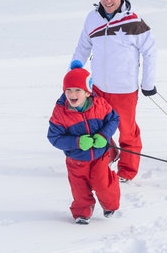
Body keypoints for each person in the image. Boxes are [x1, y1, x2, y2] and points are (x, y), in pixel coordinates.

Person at [71, 0, 157, 182]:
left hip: (124, 89)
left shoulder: (134, 21)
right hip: (98, 87)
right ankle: (108, 154)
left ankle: (127, 170)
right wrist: (74, 71)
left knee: (127, 132)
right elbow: (83, 46)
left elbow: (150, 52)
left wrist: (148, 84)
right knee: (99, 128)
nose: (107, 1)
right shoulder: (92, 18)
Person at [47, 60, 120, 225]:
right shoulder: (60, 112)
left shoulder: (100, 105)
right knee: (79, 188)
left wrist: (104, 136)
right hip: (76, 159)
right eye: (68, 90)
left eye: (78, 90)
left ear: (87, 92)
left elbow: (113, 119)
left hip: (100, 155)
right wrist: (77, 142)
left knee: (102, 183)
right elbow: (54, 137)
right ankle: (82, 213)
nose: (72, 94)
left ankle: (110, 205)